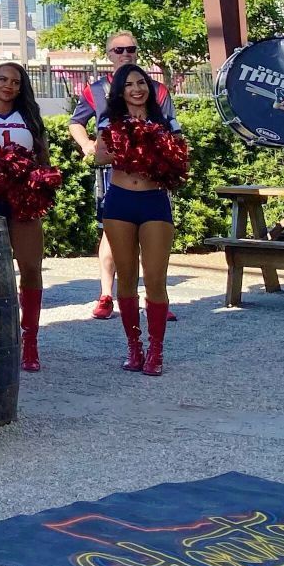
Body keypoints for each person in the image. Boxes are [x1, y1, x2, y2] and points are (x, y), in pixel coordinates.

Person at [68, 32, 178, 322]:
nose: (125, 53)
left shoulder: (158, 89)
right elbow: (77, 123)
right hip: (115, 178)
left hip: (152, 188)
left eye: (131, 48)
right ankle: (106, 293)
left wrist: (164, 155)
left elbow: (174, 135)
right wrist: (90, 146)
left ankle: (156, 302)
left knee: (154, 263)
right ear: (109, 54)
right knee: (112, 238)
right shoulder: (97, 89)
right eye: (118, 49)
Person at [84, 63, 177, 376]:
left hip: (154, 202)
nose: (137, 89)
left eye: (142, 83)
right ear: (120, 91)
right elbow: (98, 156)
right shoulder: (111, 121)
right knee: (126, 277)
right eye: (130, 85)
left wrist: (155, 148)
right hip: (120, 201)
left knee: (154, 279)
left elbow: (179, 158)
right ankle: (134, 348)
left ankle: (157, 351)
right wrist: (130, 147)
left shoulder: (162, 120)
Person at [0, 62, 50, 371]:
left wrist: (37, 183)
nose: (9, 85)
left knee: (30, 267)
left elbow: (43, 161)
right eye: (3, 79)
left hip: (24, 199)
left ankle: (30, 341)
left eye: (16, 81)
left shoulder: (30, 119)